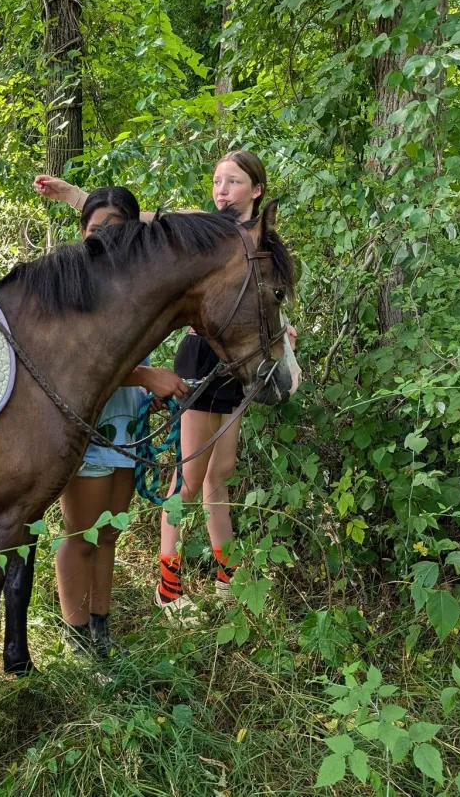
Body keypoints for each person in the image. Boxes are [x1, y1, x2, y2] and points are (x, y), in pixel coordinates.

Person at [35, 152, 297, 619]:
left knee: (223, 471)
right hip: (201, 355)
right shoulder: (206, 229)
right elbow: (145, 223)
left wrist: (282, 336)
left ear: (256, 189)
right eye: (217, 181)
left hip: (238, 358)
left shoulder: (261, 239)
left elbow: (264, 297)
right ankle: (169, 583)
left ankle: (226, 575)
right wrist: (76, 196)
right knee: (190, 477)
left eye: (233, 182)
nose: (221, 190)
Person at [55, 187, 190, 656]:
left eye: (115, 231)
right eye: (94, 230)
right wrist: (149, 376)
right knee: (82, 535)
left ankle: (101, 629)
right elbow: (78, 368)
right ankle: (74, 640)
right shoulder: (73, 288)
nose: (103, 241)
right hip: (88, 428)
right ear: (81, 233)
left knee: (109, 533)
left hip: (125, 428)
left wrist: (145, 392)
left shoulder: (135, 292)